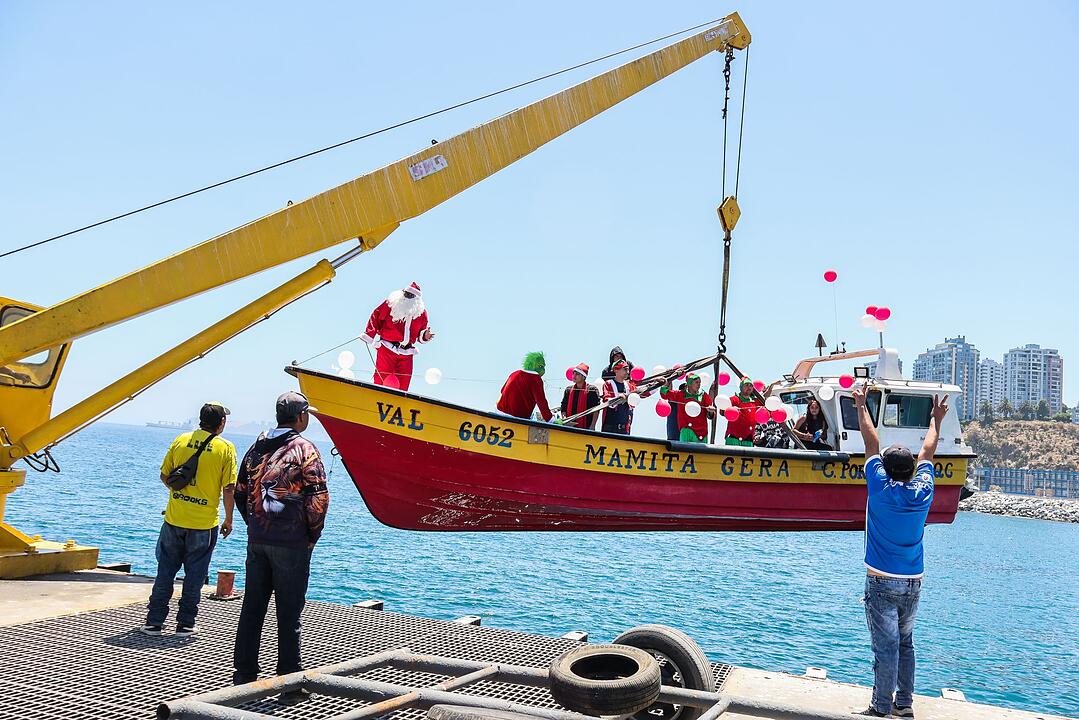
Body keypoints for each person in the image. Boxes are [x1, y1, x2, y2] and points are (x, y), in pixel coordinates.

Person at [852, 386, 948, 718]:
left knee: (886, 648)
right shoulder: (922, 490)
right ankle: (903, 705)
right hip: (913, 581)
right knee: (906, 644)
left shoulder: (879, 487)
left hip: (881, 582)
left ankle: (880, 708)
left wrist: (862, 405)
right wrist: (936, 420)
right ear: (909, 469)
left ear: (886, 468)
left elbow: (870, 442)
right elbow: (928, 450)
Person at [233, 391, 329, 703]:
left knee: (252, 609)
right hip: (292, 543)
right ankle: (289, 686)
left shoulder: (256, 446)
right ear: (301, 416)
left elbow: (240, 491)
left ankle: (243, 679)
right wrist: (311, 536)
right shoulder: (305, 449)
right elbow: (318, 498)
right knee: (289, 615)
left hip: (259, 540)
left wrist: (254, 525)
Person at [141, 402, 237, 637]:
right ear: (221, 423)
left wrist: (179, 494)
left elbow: (165, 476)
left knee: (165, 572)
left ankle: (154, 622)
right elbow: (229, 488)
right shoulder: (225, 448)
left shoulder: (181, 440)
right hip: (203, 524)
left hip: (174, 519)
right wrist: (229, 519)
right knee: (194, 577)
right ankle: (185, 624)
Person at [360, 282, 435, 390]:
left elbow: (420, 333)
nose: (407, 297)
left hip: (407, 353)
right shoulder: (391, 304)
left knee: (403, 385)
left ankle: (399, 403)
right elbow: (376, 316)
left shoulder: (421, 313)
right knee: (381, 380)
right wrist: (369, 335)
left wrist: (425, 336)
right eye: (406, 294)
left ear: (416, 298)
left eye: (411, 295)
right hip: (387, 348)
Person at [496, 352, 553, 421]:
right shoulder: (536, 379)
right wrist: (550, 419)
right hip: (517, 418)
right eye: (541, 366)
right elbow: (541, 402)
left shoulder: (515, 373)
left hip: (499, 412)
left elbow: (502, 391)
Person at [660, 373, 715, 443]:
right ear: (689, 383)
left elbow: (710, 415)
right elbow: (665, 394)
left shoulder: (704, 396)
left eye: (700, 382)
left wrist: (711, 411)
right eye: (696, 382)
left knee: (700, 453)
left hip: (701, 433)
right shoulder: (680, 395)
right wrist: (665, 383)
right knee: (684, 453)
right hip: (685, 431)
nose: (699, 384)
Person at [601, 360, 641, 435]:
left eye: (628, 369)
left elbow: (642, 393)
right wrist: (618, 399)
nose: (628, 372)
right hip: (610, 427)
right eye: (625, 369)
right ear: (616, 370)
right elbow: (607, 400)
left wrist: (657, 384)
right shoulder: (608, 384)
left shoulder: (629, 386)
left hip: (625, 429)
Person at [560, 363, 600, 429]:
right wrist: (565, 420)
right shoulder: (568, 390)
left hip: (586, 428)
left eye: (577, 374)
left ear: (583, 377)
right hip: (569, 427)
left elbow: (596, 410)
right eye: (573, 373)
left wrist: (593, 426)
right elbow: (563, 407)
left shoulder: (592, 390)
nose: (574, 376)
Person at [724, 378, 760, 446]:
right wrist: (731, 409)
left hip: (748, 439)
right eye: (746, 385)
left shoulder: (755, 401)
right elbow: (723, 412)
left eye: (751, 385)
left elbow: (766, 401)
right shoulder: (733, 399)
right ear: (741, 387)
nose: (749, 387)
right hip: (733, 438)